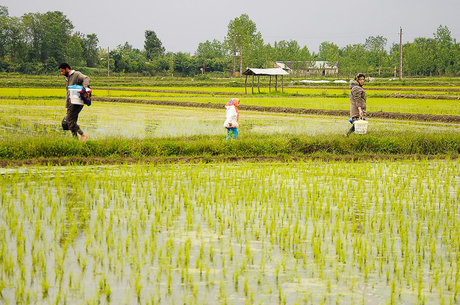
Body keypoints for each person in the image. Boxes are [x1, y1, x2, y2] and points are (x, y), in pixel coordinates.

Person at [58, 62, 90, 141]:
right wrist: (67, 106)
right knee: (72, 122)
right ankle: (76, 140)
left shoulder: (76, 74)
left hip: (77, 102)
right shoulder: (67, 78)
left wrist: (84, 88)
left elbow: (86, 78)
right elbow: (68, 93)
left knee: (69, 120)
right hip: (71, 103)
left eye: (62, 71)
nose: (62, 73)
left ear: (67, 69)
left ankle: (83, 135)